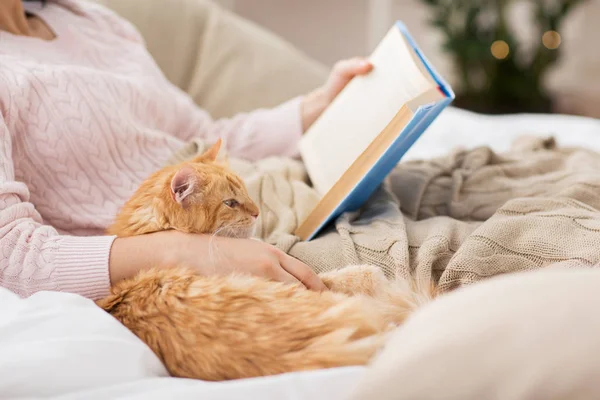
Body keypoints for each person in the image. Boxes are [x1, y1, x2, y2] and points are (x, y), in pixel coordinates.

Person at [0, 0, 373, 299]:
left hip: (267, 198)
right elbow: (11, 255)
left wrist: (316, 107)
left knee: (417, 190)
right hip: (202, 250)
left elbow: (201, 139)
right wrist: (187, 252)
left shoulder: (91, 20)